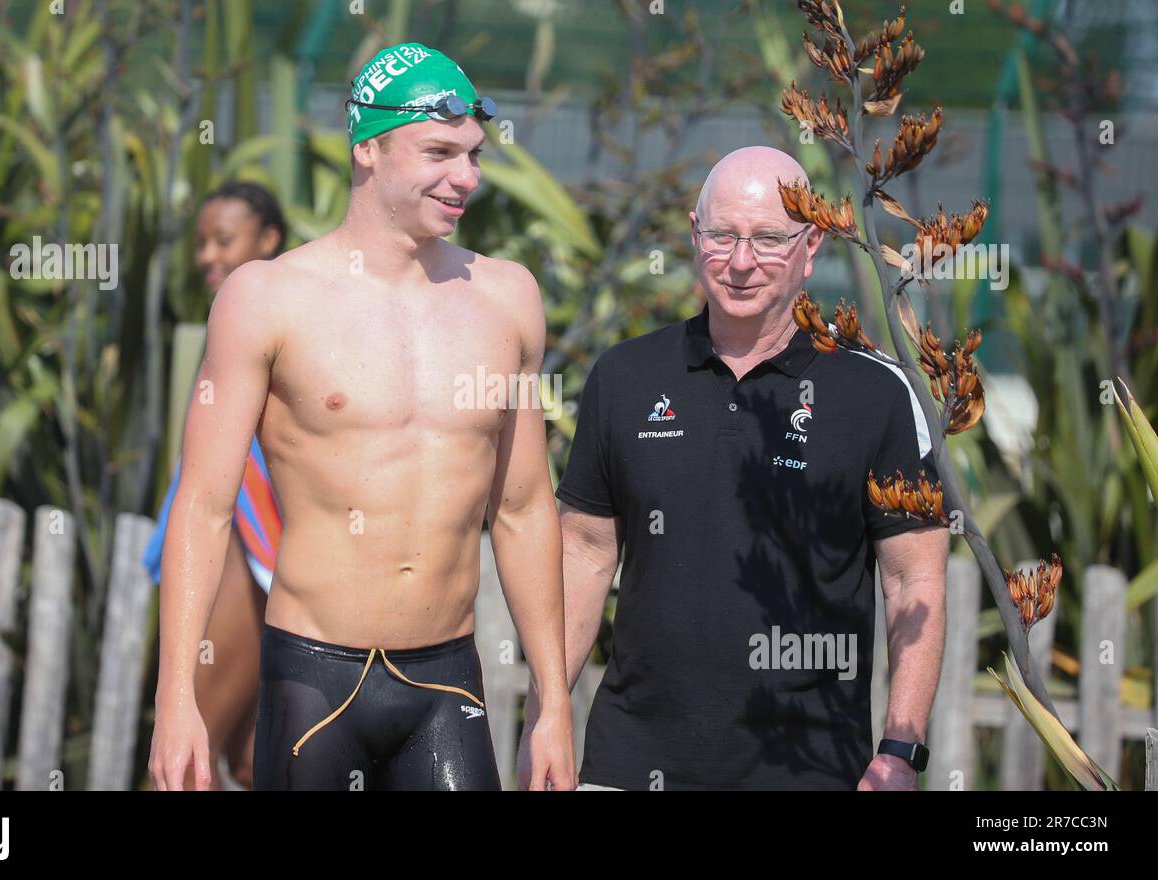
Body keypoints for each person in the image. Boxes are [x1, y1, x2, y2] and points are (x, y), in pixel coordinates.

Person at [148, 42, 575, 792]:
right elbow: (204, 504)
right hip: (312, 676)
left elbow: (523, 507)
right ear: (368, 147)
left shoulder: (507, 299)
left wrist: (553, 704)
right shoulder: (268, 298)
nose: (466, 177)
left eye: (473, 154)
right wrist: (176, 697)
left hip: (448, 679)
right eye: (439, 152)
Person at [520, 146, 948, 790]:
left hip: (810, 772)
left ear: (812, 246)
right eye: (722, 236)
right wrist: (545, 716)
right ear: (695, 236)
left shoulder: (877, 393)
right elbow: (581, 555)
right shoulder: (625, 377)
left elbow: (915, 583)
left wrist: (900, 748)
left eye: (769, 239)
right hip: (632, 765)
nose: (741, 262)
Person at [143, 181, 288, 790]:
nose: (207, 255)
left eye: (223, 240)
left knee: (183, 769)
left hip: (251, 551)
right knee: (249, 764)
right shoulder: (230, 317)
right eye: (201, 243)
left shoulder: (288, 312)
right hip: (232, 544)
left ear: (269, 240)